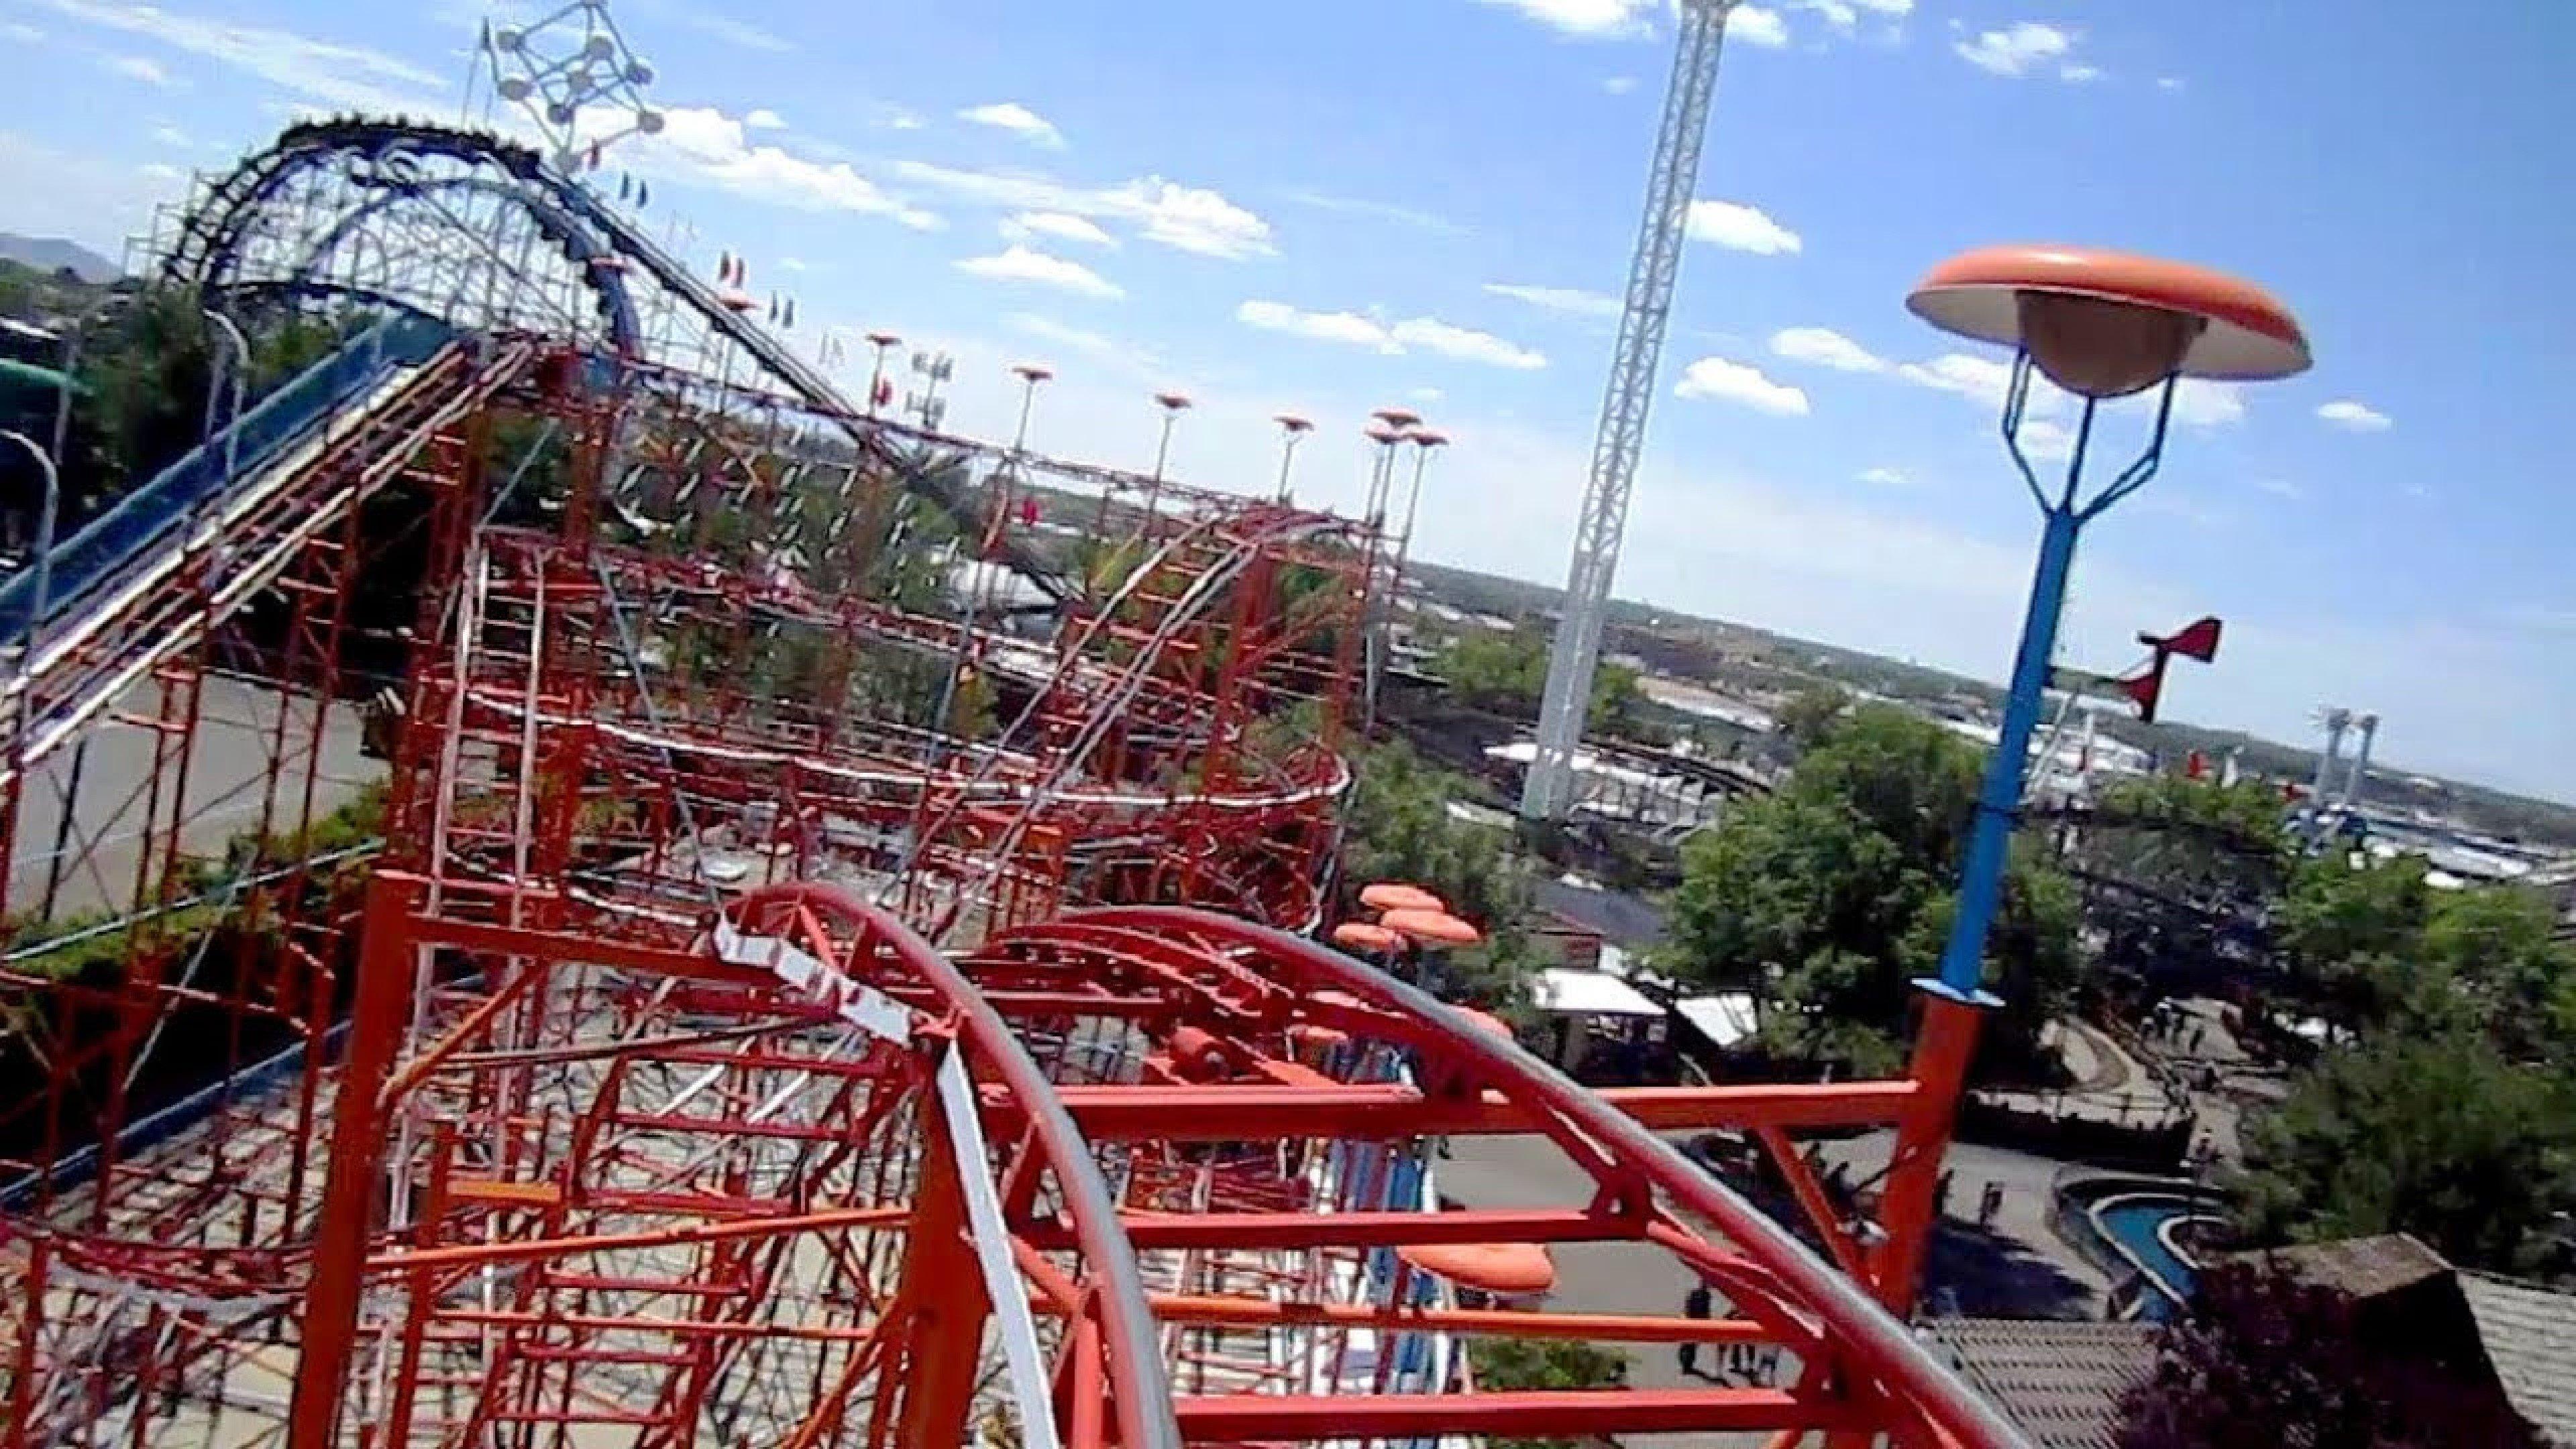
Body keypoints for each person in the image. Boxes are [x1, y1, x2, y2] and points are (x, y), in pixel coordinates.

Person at [1679, 1281, 1713, 1377]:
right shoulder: (1694, 1293)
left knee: (1694, 1345)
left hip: (1700, 1322)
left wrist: (1707, 1321)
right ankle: (1684, 1363)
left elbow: (1707, 1309)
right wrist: (1686, 1317)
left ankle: (1689, 1364)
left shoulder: (1707, 1295)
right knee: (1687, 1343)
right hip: (1692, 1320)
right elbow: (1688, 1306)